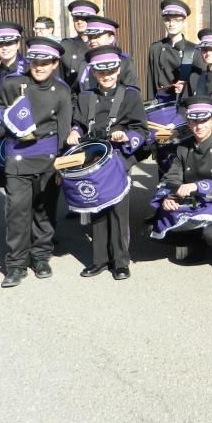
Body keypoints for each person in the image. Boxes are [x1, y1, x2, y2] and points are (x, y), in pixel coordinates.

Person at [0, 37, 72, 288]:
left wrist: (62, 162)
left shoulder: (61, 90)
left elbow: (63, 127)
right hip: (18, 156)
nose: (39, 67)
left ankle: (40, 257)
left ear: (55, 63)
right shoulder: (13, 83)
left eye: (45, 62)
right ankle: (15, 264)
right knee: (17, 211)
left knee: (45, 210)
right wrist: (6, 122)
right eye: (35, 62)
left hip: (48, 157)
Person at [67, 47, 148, 280]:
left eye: (111, 71)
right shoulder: (85, 97)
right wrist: (74, 131)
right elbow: (79, 124)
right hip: (92, 158)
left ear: (118, 70)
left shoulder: (130, 95)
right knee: (97, 209)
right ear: (94, 73)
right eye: (102, 73)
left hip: (118, 158)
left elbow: (141, 129)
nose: (107, 76)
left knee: (118, 211)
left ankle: (121, 262)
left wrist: (127, 136)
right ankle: (99, 259)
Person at [147, 97, 212, 267]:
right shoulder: (183, 148)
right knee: (153, 227)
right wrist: (169, 197)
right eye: (194, 121)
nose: (199, 126)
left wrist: (198, 186)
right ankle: (197, 245)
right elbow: (172, 176)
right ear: (188, 123)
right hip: (191, 201)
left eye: (204, 121)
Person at [0, 22, 28, 189]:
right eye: (0, 43)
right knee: (9, 200)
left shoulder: (31, 70)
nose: (5, 47)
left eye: (9, 43)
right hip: (3, 141)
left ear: (17, 43)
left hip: (30, 142)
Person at [146, 0, 201, 102]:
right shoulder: (156, 48)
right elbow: (151, 80)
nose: (171, 24)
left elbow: (200, 82)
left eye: (176, 20)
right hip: (160, 103)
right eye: (167, 19)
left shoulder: (193, 50)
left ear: (184, 22)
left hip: (184, 104)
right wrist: (150, 104)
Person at [73, 16, 140, 92]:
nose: (92, 41)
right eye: (90, 37)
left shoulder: (123, 61)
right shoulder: (85, 63)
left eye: (97, 36)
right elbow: (76, 92)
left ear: (111, 38)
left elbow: (133, 93)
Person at [60, 0, 99, 85]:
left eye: (84, 18)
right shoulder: (66, 46)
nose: (79, 22)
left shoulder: (102, 44)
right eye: (76, 18)